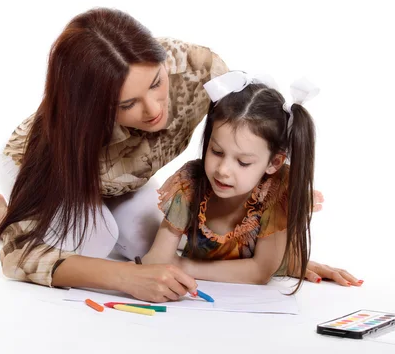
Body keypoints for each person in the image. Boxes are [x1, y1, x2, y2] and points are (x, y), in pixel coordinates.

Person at [0, 8, 360, 303]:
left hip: (127, 178)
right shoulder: (60, 138)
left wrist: (281, 254)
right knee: (94, 244)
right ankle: (2, 212)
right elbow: (19, 258)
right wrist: (126, 279)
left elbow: (250, 137)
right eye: (128, 103)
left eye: (156, 83)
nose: (153, 110)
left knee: (146, 240)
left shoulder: (199, 71)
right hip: (56, 173)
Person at [142, 71, 362, 293]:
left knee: (285, 259)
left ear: (274, 162)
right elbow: (157, 258)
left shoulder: (276, 191)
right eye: (216, 151)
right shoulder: (189, 182)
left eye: (243, 162)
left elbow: (259, 273)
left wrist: (181, 265)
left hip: (260, 266)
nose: (223, 171)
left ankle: (287, 260)